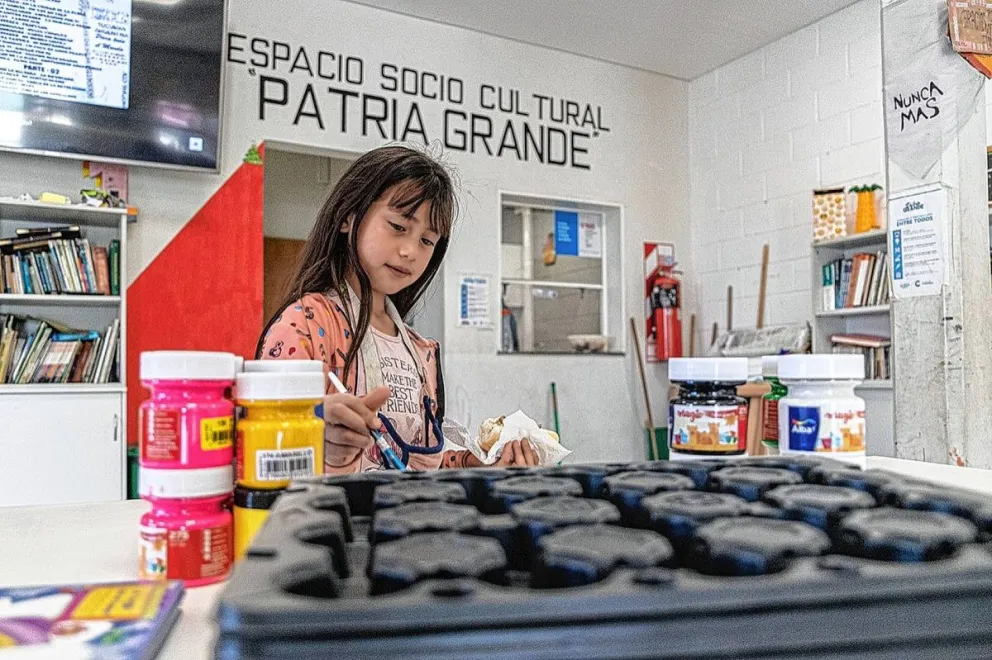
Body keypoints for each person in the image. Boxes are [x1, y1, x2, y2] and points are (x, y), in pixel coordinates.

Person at [256, 145, 537, 472]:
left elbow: (415, 466)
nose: (410, 251)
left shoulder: (420, 352)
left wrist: (479, 465)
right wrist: (318, 439)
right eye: (399, 226)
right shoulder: (307, 325)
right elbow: (263, 448)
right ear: (348, 216)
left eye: (427, 240)